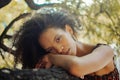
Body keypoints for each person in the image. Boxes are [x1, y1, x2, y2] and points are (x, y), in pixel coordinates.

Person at [14, 7, 119, 80]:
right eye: (51, 49)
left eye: (58, 39)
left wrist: (50, 57)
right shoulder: (62, 63)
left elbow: (78, 67)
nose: (59, 50)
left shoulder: (105, 51)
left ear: (69, 30)